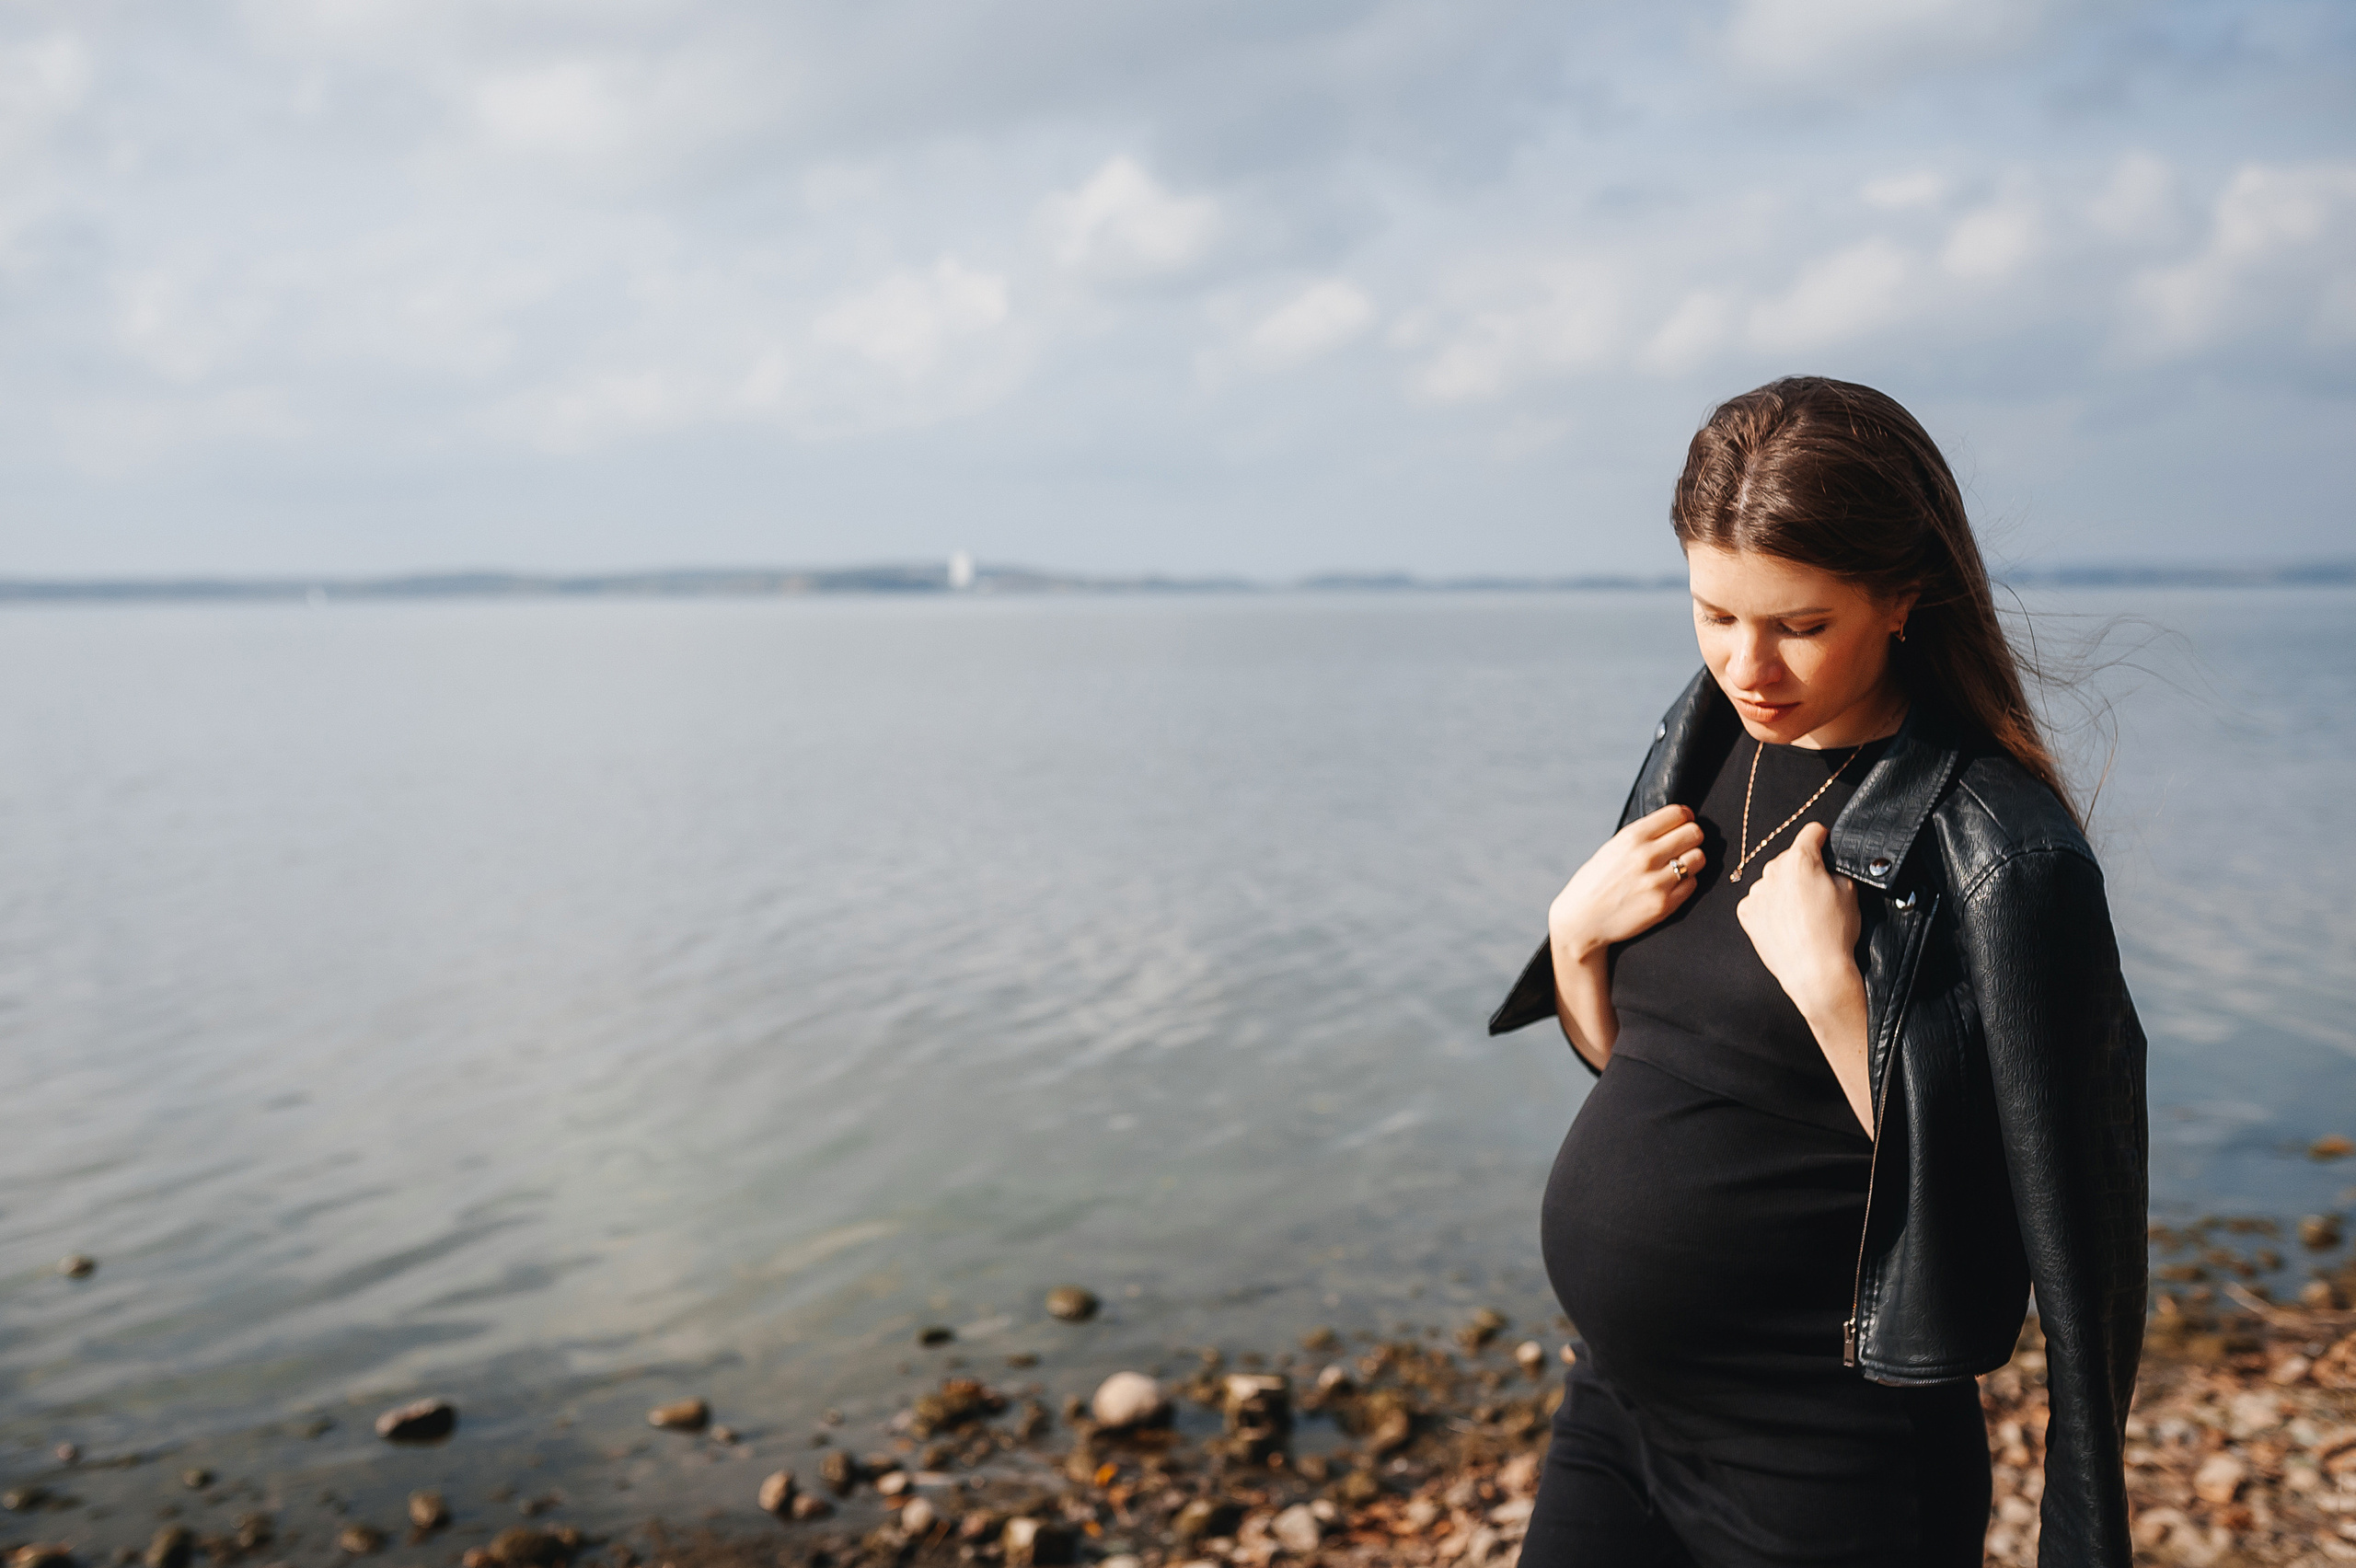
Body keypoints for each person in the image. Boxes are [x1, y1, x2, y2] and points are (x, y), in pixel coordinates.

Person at [1489, 377, 2146, 1567]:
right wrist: (1576, 940)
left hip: (1824, 1463)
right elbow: (1651, 1068)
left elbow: (2007, 1236)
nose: (1750, 667)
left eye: (1799, 625)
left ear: (1903, 598)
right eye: (1713, 613)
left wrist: (1836, 995)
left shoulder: (2000, 850)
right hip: (1617, 1416)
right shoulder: (1704, 743)